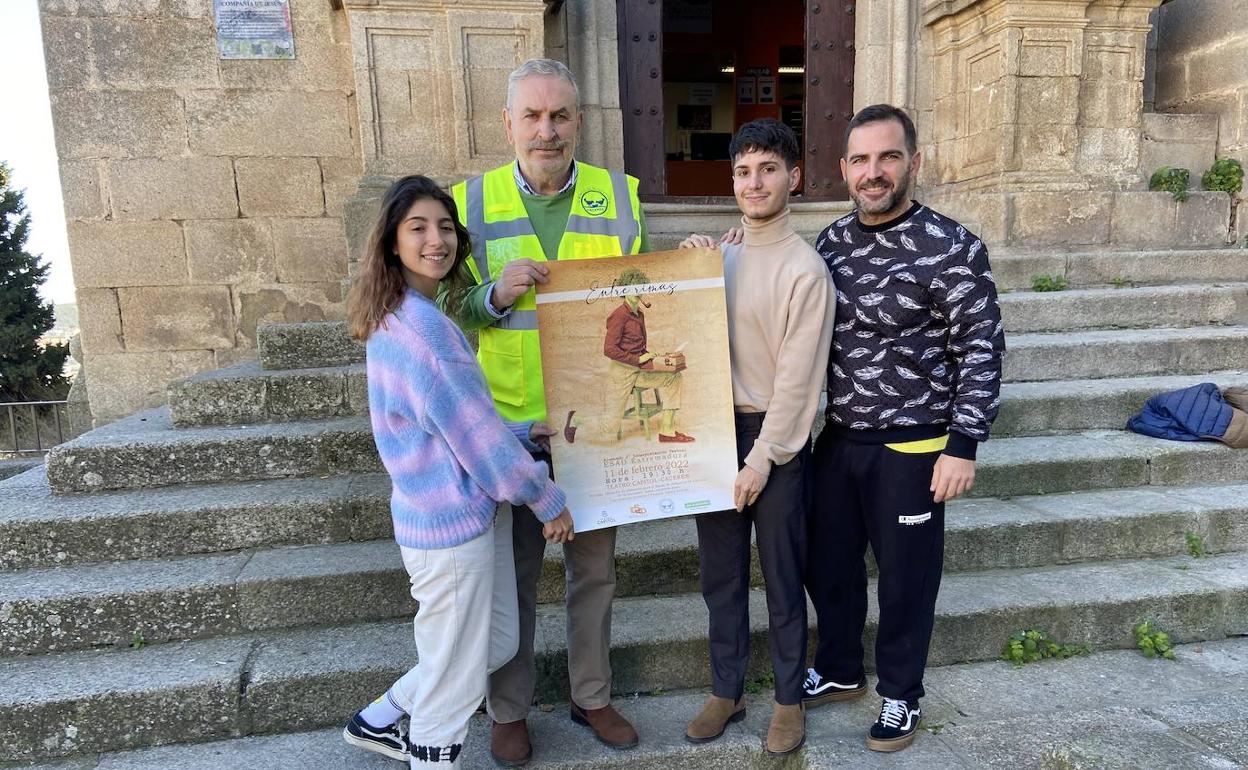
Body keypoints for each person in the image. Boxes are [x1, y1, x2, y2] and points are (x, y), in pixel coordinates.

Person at [443, 58, 648, 765]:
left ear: (580, 122)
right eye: (531, 116)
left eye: (559, 115)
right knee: (514, 581)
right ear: (507, 124)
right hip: (508, 431)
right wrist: (491, 296)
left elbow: (644, 294)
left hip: (594, 423)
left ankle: (592, 696)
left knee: (595, 574)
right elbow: (444, 307)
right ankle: (508, 709)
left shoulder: (620, 197)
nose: (546, 130)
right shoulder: (468, 205)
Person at [340, 175, 575, 768]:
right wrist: (545, 499)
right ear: (393, 241)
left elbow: (453, 424)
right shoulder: (422, 332)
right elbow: (474, 439)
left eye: (445, 227)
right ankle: (427, 748)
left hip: (450, 514)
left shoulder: (407, 314)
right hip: (449, 531)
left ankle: (380, 717)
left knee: (492, 645)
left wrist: (522, 434)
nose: (436, 240)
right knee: (452, 692)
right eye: (417, 228)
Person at [802, 104, 1005, 752]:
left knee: (906, 581)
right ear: (843, 169)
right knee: (828, 566)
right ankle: (839, 669)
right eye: (860, 160)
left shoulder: (951, 246)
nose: (874, 172)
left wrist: (963, 446)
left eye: (888, 157)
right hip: (838, 441)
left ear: (913, 163)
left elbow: (981, 347)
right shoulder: (829, 245)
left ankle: (899, 695)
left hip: (914, 446)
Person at [678, 118, 834, 755]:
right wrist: (687, 267)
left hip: (777, 439)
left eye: (768, 168)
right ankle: (727, 689)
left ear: (792, 178)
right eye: (743, 171)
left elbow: (799, 381)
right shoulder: (723, 254)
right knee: (720, 576)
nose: (754, 181)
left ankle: (789, 700)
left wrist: (764, 458)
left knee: (782, 573)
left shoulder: (807, 271)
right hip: (713, 430)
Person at [564, 267, 691, 444]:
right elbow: (609, 349)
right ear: (624, 290)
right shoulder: (618, 316)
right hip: (621, 374)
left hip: (639, 371)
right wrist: (638, 359)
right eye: (633, 287)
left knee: (674, 377)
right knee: (608, 428)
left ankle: (667, 431)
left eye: (640, 287)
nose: (638, 291)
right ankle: (576, 418)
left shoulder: (639, 314)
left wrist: (655, 358)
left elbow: (638, 346)